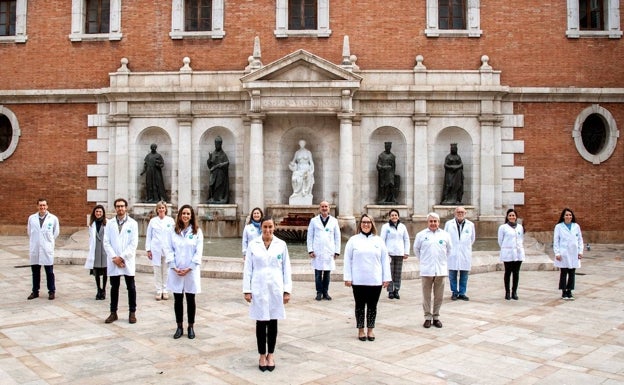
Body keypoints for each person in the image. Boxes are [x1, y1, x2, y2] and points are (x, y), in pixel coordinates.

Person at [243, 217, 292, 372]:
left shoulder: (281, 245)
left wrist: (287, 290)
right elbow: (248, 269)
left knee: (272, 323)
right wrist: (247, 290)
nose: (267, 230)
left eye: (270, 227)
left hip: (275, 288)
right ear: (261, 228)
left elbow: (286, 269)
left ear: (274, 227)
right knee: (260, 323)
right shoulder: (253, 245)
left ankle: (271, 354)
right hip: (258, 287)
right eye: (265, 227)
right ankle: (261, 355)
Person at [343, 214, 391, 341]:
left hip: (375, 279)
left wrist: (386, 278)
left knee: (372, 306)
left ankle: (370, 330)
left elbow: (385, 260)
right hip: (358, 279)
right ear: (360, 224)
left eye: (368, 222)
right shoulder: (353, 240)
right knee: (359, 305)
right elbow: (347, 260)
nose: (366, 224)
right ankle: (360, 330)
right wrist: (348, 277)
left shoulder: (378, 240)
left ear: (372, 224)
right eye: (364, 222)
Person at [167, 205, 203, 339]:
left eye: (188, 214)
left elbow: (198, 252)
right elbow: (168, 248)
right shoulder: (173, 231)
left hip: (190, 270)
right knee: (177, 299)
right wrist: (173, 265)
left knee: (190, 299)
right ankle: (179, 326)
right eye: (183, 213)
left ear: (192, 216)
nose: (185, 216)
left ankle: (191, 326)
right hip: (176, 269)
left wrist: (190, 267)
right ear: (180, 215)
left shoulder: (197, 232)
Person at [103, 198, 139, 324]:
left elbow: (133, 243)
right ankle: (113, 312)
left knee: (131, 287)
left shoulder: (133, 223)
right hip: (114, 261)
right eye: (118, 206)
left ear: (126, 208)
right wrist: (114, 258)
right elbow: (106, 242)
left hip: (126, 260)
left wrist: (122, 257)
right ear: (115, 208)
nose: (120, 208)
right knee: (114, 287)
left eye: (122, 206)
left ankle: (132, 312)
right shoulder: (110, 223)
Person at [413, 212, 452, 329]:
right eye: (431, 221)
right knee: (426, 295)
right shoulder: (421, 235)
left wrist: (442, 261)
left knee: (439, 295)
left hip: (440, 269)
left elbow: (449, 250)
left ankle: (436, 316)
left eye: (435, 221)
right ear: (427, 222)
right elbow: (416, 249)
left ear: (439, 222)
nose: (433, 223)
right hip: (427, 270)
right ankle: (427, 317)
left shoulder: (445, 235)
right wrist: (424, 260)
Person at [307, 201, 341, 301]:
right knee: (317, 273)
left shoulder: (334, 221)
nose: (324, 208)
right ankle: (319, 292)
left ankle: (325, 292)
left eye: (326, 206)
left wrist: (337, 251)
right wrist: (310, 250)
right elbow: (310, 236)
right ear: (319, 208)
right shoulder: (314, 221)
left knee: (327, 273)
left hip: (329, 251)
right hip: (317, 251)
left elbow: (337, 237)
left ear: (329, 208)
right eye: (322, 206)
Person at [27, 198, 60, 300]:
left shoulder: (53, 218)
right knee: (35, 272)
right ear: (37, 206)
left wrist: (48, 242)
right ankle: (35, 291)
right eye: (40, 205)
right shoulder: (31, 218)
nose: (42, 207)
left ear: (47, 206)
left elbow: (56, 232)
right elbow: (29, 232)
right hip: (35, 248)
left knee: (49, 272)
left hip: (47, 248)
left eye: (44, 205)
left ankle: (51, 291)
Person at [444, 206, 476, 301]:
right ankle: (454, 292)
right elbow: (445, 237)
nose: (460, 213)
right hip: (452, 253)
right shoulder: (449, 224)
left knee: (464, 274)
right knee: (452, 274)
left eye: (462, 212)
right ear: (455, 213)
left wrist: (464, 247)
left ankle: (462, 293)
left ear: (465, 213)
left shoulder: (470, 225)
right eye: (458, 212)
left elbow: (472, 239)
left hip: (464, 252)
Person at [145, 201, 175, 301]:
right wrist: (148, 249)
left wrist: (174, 249)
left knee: (166, 270)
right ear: (157, 210)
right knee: (157, 270)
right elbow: (149, 236)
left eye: (163, 208)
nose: (161, 210)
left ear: (166, 209)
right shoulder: (153, 221)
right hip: (156, 249)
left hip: (167, 249)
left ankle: (165, 290)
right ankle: (158, 290)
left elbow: (174, 236)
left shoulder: (170, 221)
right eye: (159, 208)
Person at [553, 208, 583, 300]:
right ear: (563, 216)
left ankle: (570, 291)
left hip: (573, 253)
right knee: (564, 272)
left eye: (570, 215)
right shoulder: (559, 227)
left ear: (572, 216)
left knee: (572, 273)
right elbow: (556, 240)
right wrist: (557, 253)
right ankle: (564, 292)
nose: (568, 216)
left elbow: (580, 240)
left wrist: (580, 251)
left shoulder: (576, 226)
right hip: (563, 253)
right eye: (566, 215)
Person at [379, 209, 410, 299]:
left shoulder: (402, 227)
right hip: (389, 253)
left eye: (396, 215)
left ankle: (396, 290)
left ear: (398, 216)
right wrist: (383, 253)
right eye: (392, 215)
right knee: (389, 273)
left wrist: (406, 252)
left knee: (398, 273)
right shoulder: (386, 227)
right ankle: (390, 291)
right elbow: (382, 240)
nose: (394, 217)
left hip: (399, 253)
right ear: (389, 217)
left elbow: (406, 239)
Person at [498, 208, 525, 300]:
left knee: (516, 273)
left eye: (513, 215)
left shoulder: (520, 227)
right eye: (510, 215)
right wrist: (507, 247)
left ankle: (514, 292)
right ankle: (507, 292)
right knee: (508, 272)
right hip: (508, 253)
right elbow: (500, 241)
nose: (512, 217)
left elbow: (521, 238)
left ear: (516, 217)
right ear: (507, 217)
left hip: (518, 253)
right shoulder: (503, 227)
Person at [84, 205, 108, 300]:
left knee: (105, 271)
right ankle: (98, 289)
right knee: (96, 272)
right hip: (96, 250)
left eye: (100, 212)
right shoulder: (92, 224)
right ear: (94, 213)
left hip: (105, 250)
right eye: (97, 211)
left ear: (103, 213)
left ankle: (104, 290)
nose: (98, 213)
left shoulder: (107, 223)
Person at [288, 139, 315, 204]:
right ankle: (296, 192)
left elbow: (311, 162)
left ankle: (305, 192)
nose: (302, 144)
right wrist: (291, 164)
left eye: (303, 143)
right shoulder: (297, 152)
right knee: (294, 179)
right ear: (299, 144)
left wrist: (312, 171)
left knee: (307, 177)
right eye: (300, 143)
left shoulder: (308, 152)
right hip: (299, 168)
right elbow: (293, 161)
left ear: (305, 144)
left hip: (306, 168)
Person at [207, 136, 230, 204]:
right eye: (216, 144)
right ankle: (212, 198)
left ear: (220, 144)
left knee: (219, 186)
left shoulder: (223, 154)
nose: (217, 145)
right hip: (213, 174)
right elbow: (209, 166)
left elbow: (227, 163)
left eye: (218, 144)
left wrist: (220, 165)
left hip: (221, 175)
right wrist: (209, 159)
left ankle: (219, 198)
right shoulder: (213, 154)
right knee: (211, 185)